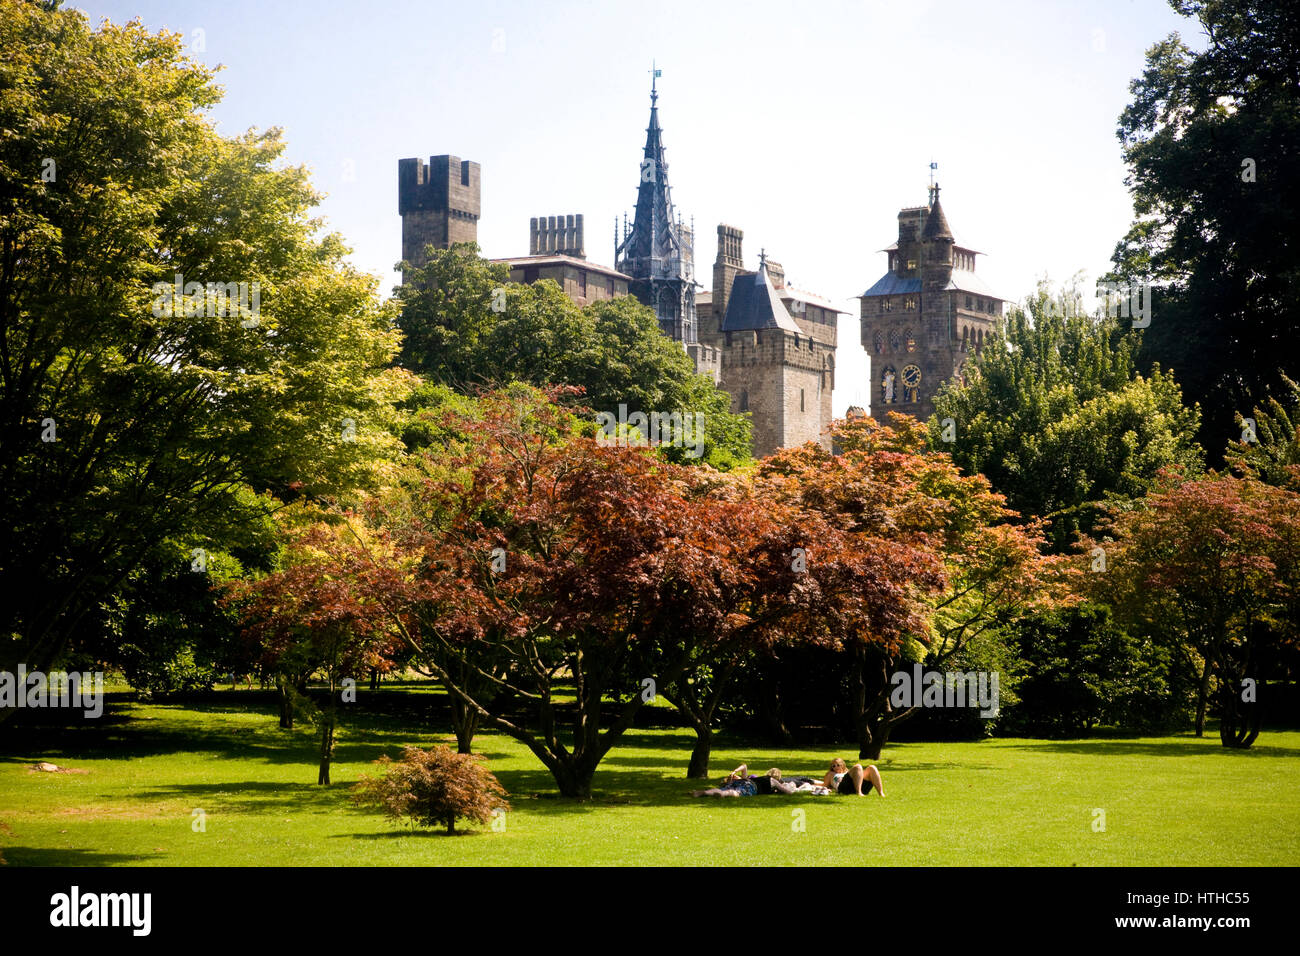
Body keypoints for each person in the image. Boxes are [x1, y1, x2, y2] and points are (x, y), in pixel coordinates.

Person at [691, 764, 796, 798]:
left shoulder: (758, 778)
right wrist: (791, 786)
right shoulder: (773, 781)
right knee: (735, 793)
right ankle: (723, 794)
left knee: (723, 788)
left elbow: (744, 766)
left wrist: (734, 772)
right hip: (751, 787)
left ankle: (703, 792)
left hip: (743, 781)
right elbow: (788, 792)